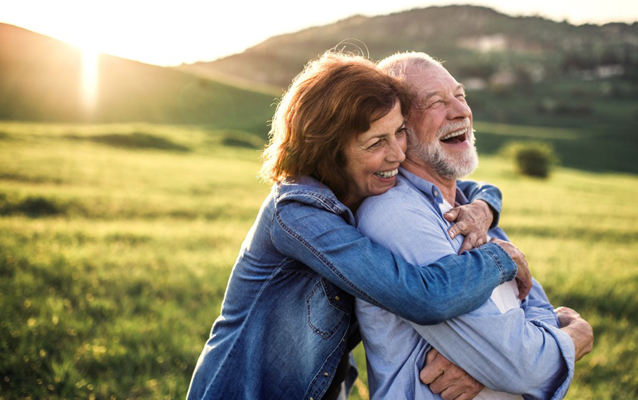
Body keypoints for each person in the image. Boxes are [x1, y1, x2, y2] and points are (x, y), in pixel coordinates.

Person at [186, 51, 533, 400]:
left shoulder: (363, 186)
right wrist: (500, 258)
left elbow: (467, 188)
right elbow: (422, 297)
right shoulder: (297, 215)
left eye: (398, 132)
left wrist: (484, 208)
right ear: (331, 151)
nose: (398, 153)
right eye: (376, 143)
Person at [355, 52, 594, 400]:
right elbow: (521, 366)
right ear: (398, 129)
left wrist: (492, 367)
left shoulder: (473, 212)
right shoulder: (395, 216)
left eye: (461, 95)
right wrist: (577, 337)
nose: (461, 111)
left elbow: (534, 308)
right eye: (436, 102)